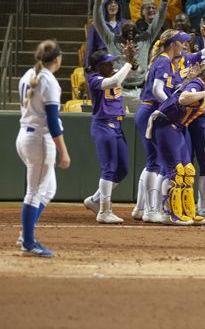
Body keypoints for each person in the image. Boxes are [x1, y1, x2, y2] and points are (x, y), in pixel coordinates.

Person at [148, 62, 205, 226]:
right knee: (175, 170)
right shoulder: (198, 84)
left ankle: (186, 211)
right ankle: (169, 213)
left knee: (187, 170)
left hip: (178, 127)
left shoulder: (202, 88)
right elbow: (183, 98)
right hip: (165, 124)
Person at [16, 40, 71, 257]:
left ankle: (26, 234)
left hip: (26, 135)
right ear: (57, 59)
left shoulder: (29, 74)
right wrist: (64, 151)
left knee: (48, 190)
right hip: (39, 139)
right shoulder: (49, 81)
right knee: (34, 192)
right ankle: (28, 242)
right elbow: (53, 121)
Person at [134, 29, 191, 223]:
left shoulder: (164, 61)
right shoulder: (164, 60)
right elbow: (158, 90)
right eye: (181, 42)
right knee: (155, 163)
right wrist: (172, 106)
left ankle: (142, 208)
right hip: (152, 110)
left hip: (151, 110)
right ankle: (151, 210)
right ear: (173, 44)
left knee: (154, 161)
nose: (183, 46)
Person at [82, 46, 137, 224]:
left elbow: (132, 71)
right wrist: (128, 62)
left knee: (122, 169)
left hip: (117, 126)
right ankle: (105, 210)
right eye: (108, 64)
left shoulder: (109, 75)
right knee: (109, 168)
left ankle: (95, 200)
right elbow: (114, 81)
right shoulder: (94, 79)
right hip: (103, 126)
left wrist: (131, 59)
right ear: (99, 66)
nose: (112, 65)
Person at [93, 0, 167, 112]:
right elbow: (99, 22)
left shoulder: (144, 40)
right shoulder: (112, 40)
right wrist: (97, 1)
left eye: (133, 29)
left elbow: (158, 22)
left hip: (140, 91)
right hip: (118, 89)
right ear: (120, 31)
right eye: (127, 30)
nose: (130, 33)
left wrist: (164, 2)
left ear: (138, 31)